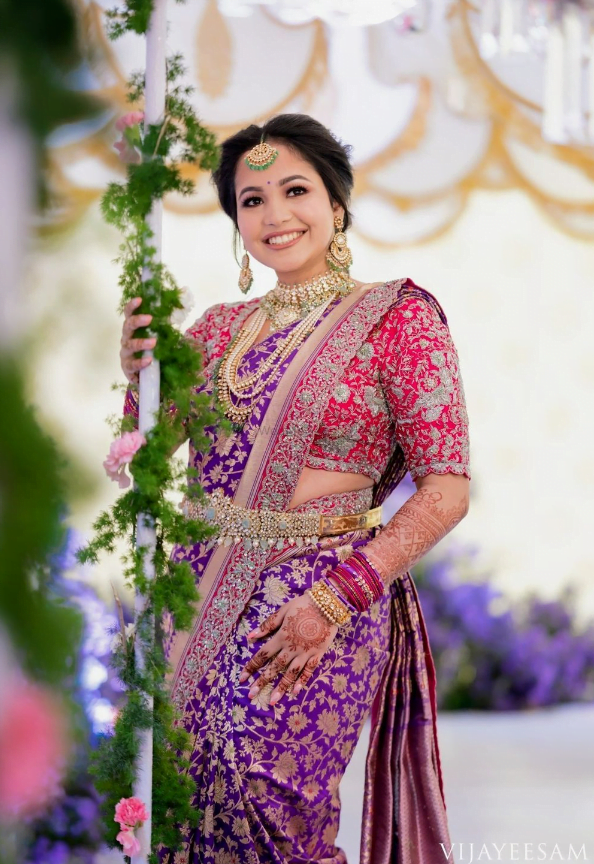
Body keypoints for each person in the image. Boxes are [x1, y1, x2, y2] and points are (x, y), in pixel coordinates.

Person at [120, 113, 471, 864]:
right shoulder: (215, 329)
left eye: (294, 189)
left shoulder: (400, 319)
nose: (275, 215)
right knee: (178, 807)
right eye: (251, 200)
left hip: (315, 602)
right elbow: (145, 463)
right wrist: (138, 378)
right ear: (235, 223)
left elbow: (445, 491)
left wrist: (334, 601)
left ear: (336, 204)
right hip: (197, 595)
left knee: (270, 808)